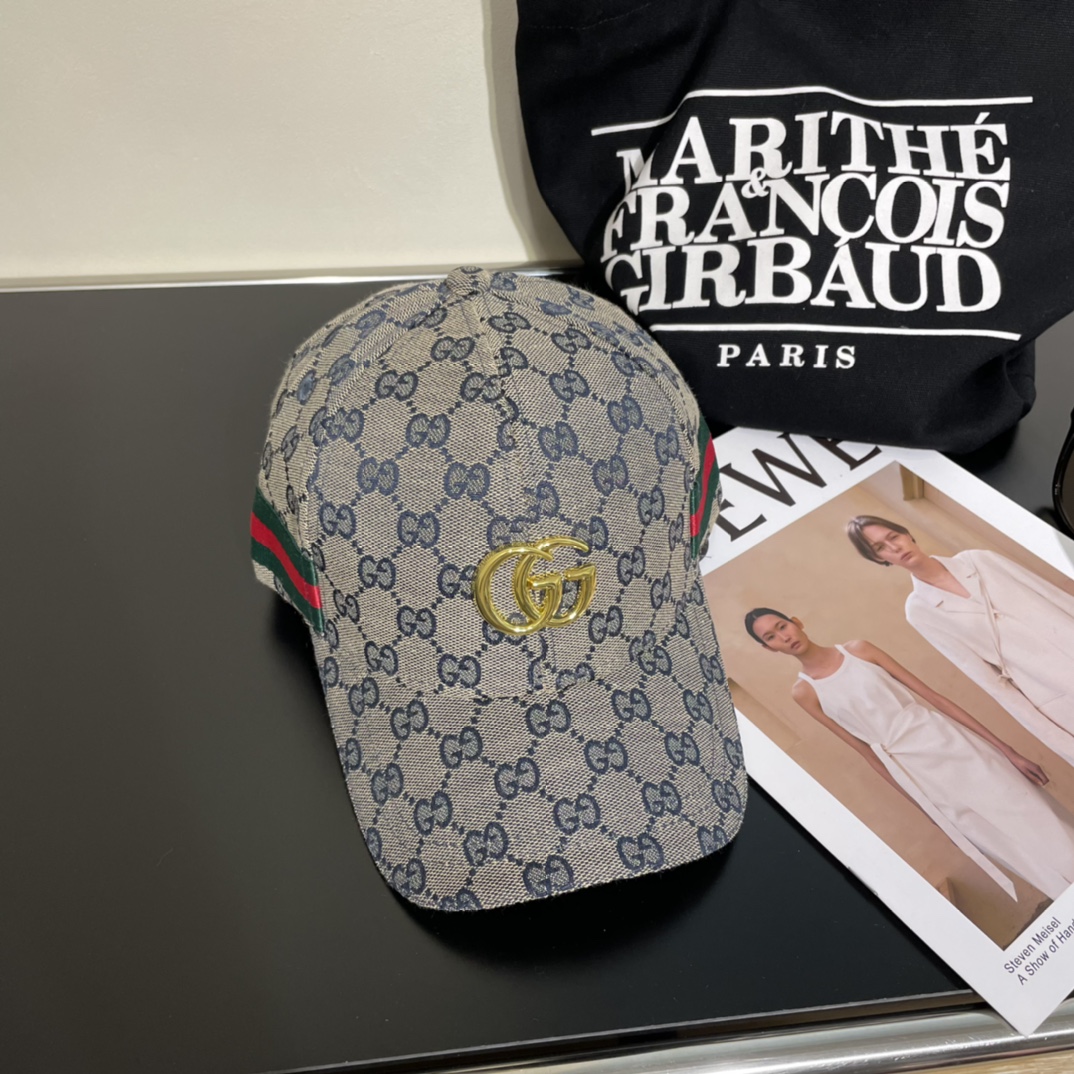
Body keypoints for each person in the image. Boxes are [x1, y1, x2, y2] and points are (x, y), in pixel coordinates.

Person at [745, 608, 1074, 901]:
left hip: (950, 743)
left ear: (796, 622)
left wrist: (1008, 751)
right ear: (768, 648)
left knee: (1032, 811)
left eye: (782, 626)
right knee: (1001, 841)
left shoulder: (859, 650)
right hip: (915, 773)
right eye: (771, 637)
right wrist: (926, 810)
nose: (783, 637)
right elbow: (865, 753)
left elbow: (934, 698)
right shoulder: (804, 692)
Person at [847, 515, 1074, 767]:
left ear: (907, 534)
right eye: (880, 547)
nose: (894, 547)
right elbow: (987, 680)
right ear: (879, 559)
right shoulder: (920, 610)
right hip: (1052, 689)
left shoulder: (980, 560)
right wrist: (1062, 743)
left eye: (893, 536)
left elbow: (1054, 596)